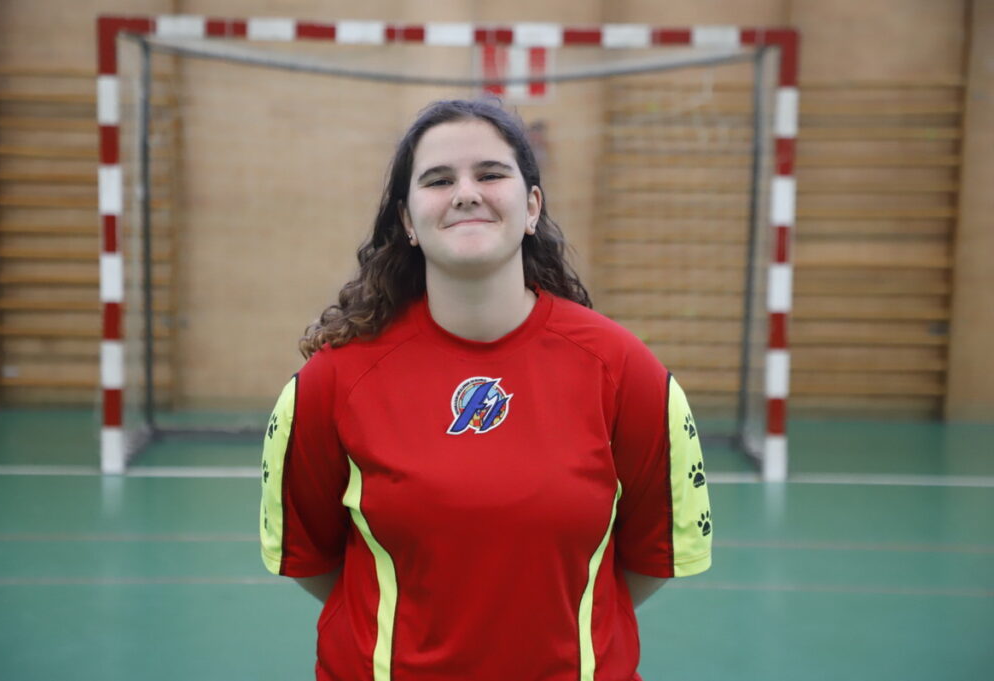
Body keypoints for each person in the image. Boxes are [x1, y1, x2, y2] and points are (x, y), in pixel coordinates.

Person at [259, 98, 711, 681]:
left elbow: (649, 562)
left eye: (490, 174)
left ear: (531, 207)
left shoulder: (627, 373)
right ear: (407, 221)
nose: (466, 192)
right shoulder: (331, 383)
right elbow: (313, 562)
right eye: (439, 179)